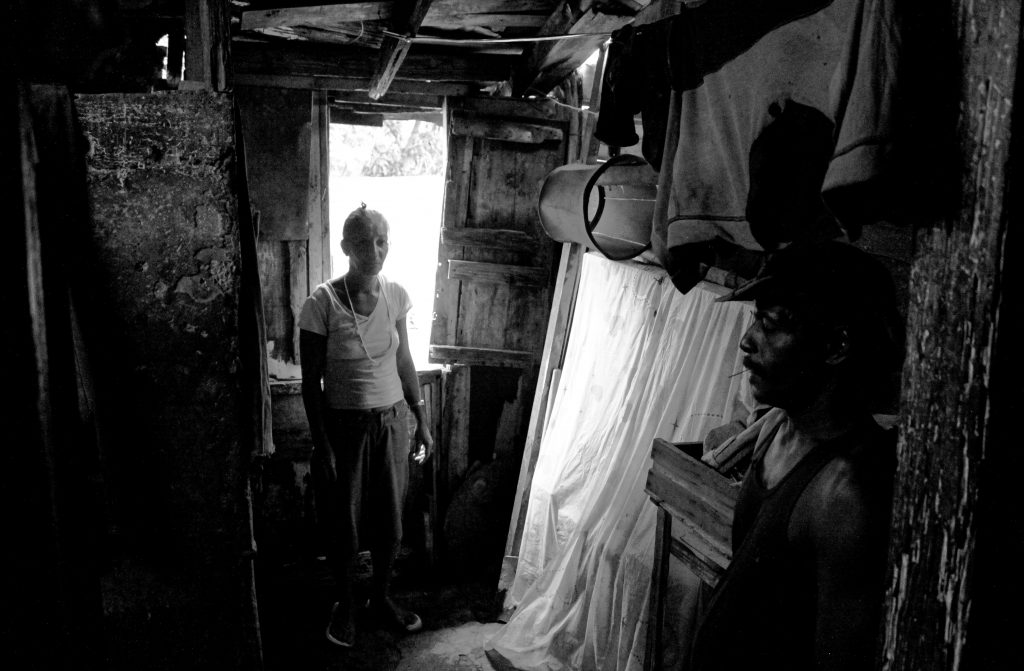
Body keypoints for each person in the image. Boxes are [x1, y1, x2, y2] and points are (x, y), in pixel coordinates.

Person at [690, 240, 904, 671]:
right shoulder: (777, 429)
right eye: (757, 318)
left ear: (836, 346)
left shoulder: (845, 494)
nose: (747, 341)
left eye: (771, 325)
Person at [298, 204, 433, 648]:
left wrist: (421, 418)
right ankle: (347, 604)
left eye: (381, 241)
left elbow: (404, 360)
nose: (374, 251)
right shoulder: (321, 303)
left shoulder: (395, 295)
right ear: (345, 247)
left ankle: (381, 596)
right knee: (345, 524)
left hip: (392, 421)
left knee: (390, 522)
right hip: (344, 428)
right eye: (363, 243)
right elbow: (311, 383)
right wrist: (323, 444)